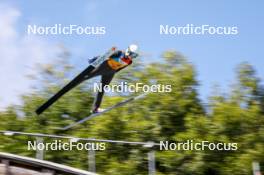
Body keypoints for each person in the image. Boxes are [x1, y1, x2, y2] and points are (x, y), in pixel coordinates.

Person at [86, 44, 139, 113]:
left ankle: (95, 108)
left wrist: (112, 73)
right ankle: (81, 78)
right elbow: (104, 57)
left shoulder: (129, 62)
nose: (130, 56)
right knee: (88, 76)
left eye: (132, 55)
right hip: (105, 66)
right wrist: (93, 60)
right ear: (127, 50)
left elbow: (120, 68)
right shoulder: (119, 53)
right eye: (130, 53)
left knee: (102, 89)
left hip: (111, 72)